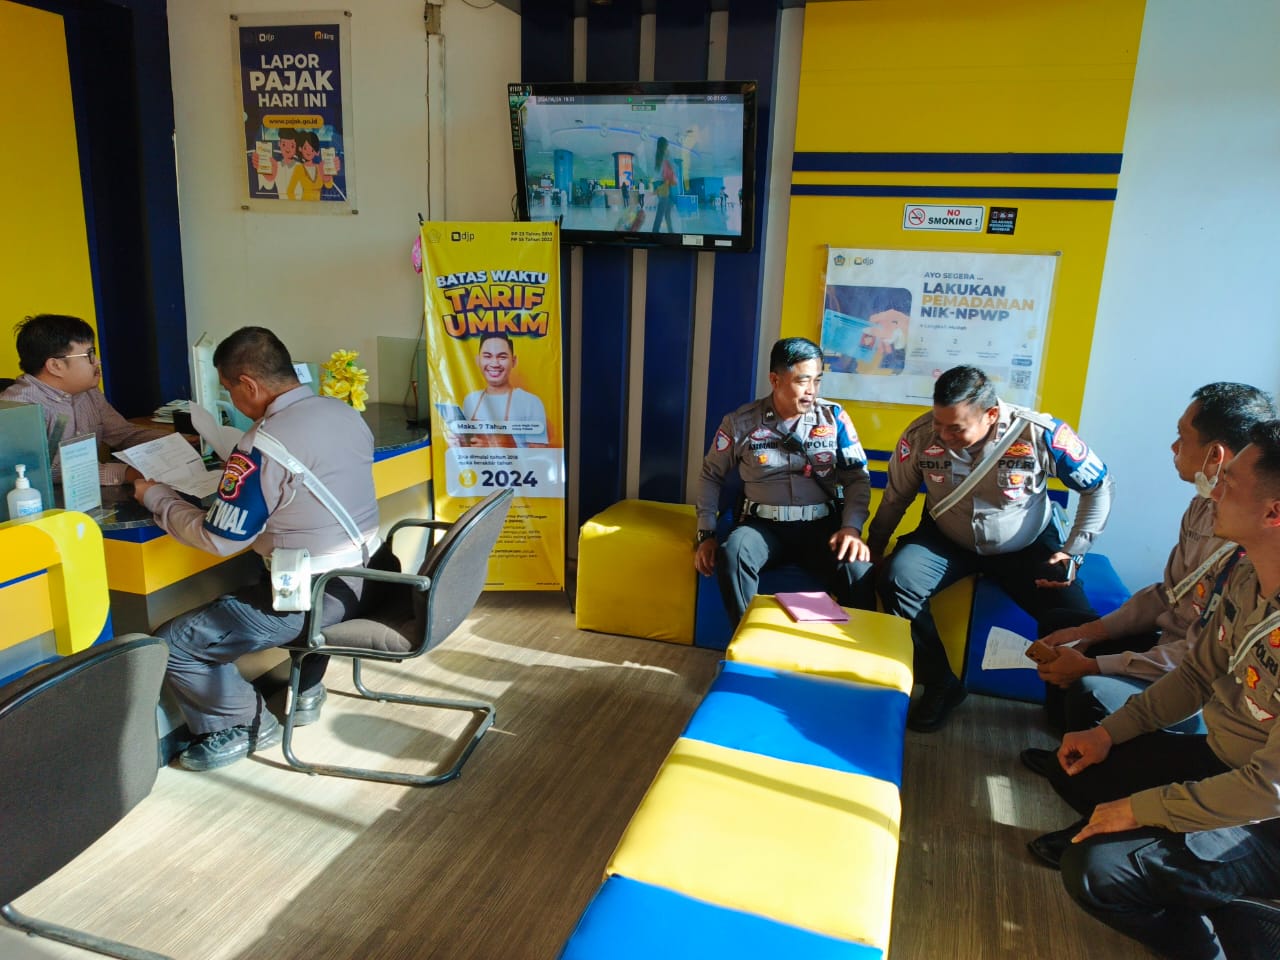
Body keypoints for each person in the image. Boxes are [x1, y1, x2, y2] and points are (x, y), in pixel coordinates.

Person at [1029, 420, 1280, 960]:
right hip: (1226, 760)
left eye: (1230, 482)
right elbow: (1193, 676)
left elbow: (1269, 789)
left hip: (1268, 815)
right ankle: (1206, 898)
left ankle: (1221, 939)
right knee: (1079, 765)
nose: (1215, 489)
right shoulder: (1248, 577)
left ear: (1273, 513)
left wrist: (1145, 809)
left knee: (1096, 870)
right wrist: (1106, 734)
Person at [132, 327, 379, 772]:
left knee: (175, 644)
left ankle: (243, 725)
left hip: (311, 601)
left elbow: (220, 538)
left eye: (229, 390)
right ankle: (306, 692)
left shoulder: (263, 444)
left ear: (248, 384)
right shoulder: (342, 411)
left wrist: (157, 498)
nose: (231, 400)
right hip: (366, 578)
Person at [1023, 383, 1275, 760]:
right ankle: (1068, 750)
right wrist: (1085, 634)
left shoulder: (1249, 546)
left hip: (1196, 679)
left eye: (1182, 437)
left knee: (1090, 692)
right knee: (1061, 627)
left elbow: (1199, 658)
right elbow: (1167, 593)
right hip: (1169, 648)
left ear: (1215, 455)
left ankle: (1088, 769)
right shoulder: (1202, 507)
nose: (1174, 447)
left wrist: (1093, 665)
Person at [867, 364, 1114, 732]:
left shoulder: (1039, 434)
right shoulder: (919, 435)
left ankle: (1064, 710)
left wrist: (1073, 551)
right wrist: (874, 546)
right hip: (947, 539)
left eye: (956, 428)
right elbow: (895, 497)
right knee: (897, 579)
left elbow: (1099, 487)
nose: (943, 435)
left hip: (1026, 543)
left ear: (991, 414)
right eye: (939, 423)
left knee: (1072, 614)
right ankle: (941, 684)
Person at [694, 336, 876, 627]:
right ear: (775, 380)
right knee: (734, 553)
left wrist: (851, 528)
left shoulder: (833, 419)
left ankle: (857, 649)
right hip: (764, 528)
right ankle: (747, 640)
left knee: (858, 569)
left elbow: (857, 478)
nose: (811, 390)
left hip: (821, 527)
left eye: (817, 380)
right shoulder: (740, 423)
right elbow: (710, 475)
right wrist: (706, 533)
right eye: (803, 381)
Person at [1, 313, 166, 484]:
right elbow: (38, 471)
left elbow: (124, 434)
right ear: (55, 366)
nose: (98, 362)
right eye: (90, 355)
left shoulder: (88, 393)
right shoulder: (18, 408)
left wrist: (174, 442)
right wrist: (125, 473)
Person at [457, 334, 548, 448]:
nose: (494, 364)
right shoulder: (471, 399)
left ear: (514, 361)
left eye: (502, 357)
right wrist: (457, 444)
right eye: (487, 356)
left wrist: (491, 449)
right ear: (478, 360)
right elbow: (467, 446)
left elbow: (540, 454)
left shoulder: (531, 402)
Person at [258, 127, 299, 200]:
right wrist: (263, 171)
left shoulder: (301, 167)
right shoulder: (276, 165)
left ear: (297, 147)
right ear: (279, 144)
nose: (288, 149)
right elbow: (268, 186)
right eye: (284, 144)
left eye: (292, 146)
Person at [651, 136, 677, 234]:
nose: (668, 146)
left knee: (666, 211)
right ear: (665, 145)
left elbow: (655, 172)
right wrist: (670, 157)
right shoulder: (666, 155)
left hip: (657, 184)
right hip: (664, 184)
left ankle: (671, 231)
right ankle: (655, 232)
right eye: (667, 145)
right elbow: (673, 167)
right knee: (662, 211)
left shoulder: (656, 155)